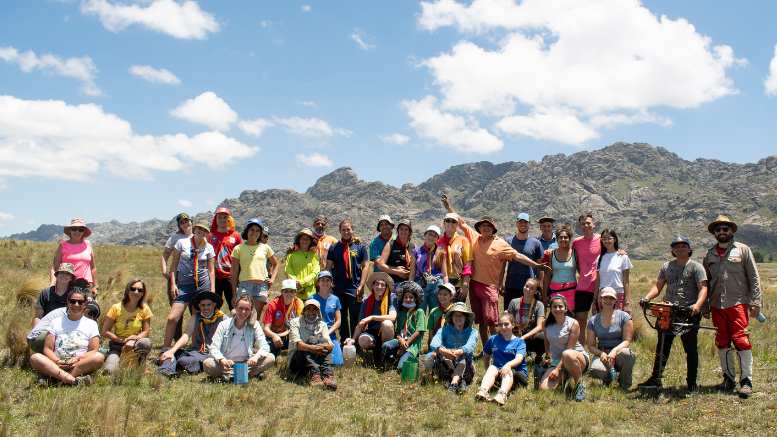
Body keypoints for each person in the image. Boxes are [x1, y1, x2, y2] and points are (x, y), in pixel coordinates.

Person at [442, 195, 549, 349]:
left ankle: (498, 349)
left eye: (489, 226)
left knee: (492, 321)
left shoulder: (500, 243)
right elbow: (461, 222)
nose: (485, 228)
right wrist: (448, 208)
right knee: (481, 322)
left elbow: (517, 256)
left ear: (493, 228)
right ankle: (486, 350)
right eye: (483, 226)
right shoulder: (474, 237)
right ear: (479, 228)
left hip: (489, 287)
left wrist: (537, 266)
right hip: (474, 285)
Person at [702, 215, 762, 399]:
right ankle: (728, 379)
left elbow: (754, 277)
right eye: (718, 229)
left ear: (731, 231)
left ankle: (746, 381)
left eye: (725, 229)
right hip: (717, 304)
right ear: (714, 233)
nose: (721, 232)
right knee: (722, 340)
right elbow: (706, 282)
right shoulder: (710, 254)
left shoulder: (743, 250)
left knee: (741, 339)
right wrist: (705, 305)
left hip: (738, 303)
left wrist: (756, 302)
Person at [638, 237, 708, 392]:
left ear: (690, 249)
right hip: (667, 312)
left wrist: (697, 305)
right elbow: (658, 286)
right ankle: (656, 379)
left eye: (683, 246)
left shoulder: (696, 267)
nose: (680, 249)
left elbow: (703, 288)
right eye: (677, 247)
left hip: (688, 312)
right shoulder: (666, 266)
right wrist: (647, 298)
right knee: (662, 346)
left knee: (690, 349)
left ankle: (692, 383)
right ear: (673, 250)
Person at [29, 287, 104, 385]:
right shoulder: (56, 322)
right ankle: (73, 380)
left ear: (85, 304)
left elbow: (94, 350)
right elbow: (47, 348)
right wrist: (57, 361)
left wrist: (78, 359)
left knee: (99, 357)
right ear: (68, 303)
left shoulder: (91, 324)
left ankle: (56, 379)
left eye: (80, 302)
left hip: (77, 364)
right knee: (35, 358)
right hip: (58, 363)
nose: (76, 305)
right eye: (73, 301)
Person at [163, 220, 215, 349]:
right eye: (199, 229)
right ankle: (165, 348)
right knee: (172, 318)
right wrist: (173, 284)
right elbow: (174, 265)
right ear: (195, 228)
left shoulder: (209, 247)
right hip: (184, 285)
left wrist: (212, 289)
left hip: (202, 285)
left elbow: (211, 269)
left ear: (207, 233)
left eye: (204, 230)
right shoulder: (181, 243)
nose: (201, 232)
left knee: (196, 317)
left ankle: (194, 347)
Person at [203, 293, 276, 380]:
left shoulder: (255, 325)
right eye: (240, 308)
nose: (243, 312)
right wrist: (222, 360)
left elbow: (264, 346)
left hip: (247, 362)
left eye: (247, 309)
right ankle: (248, 374)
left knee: (271, 358)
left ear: (251, 311)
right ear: (235, 307)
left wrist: (255, 358)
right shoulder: (224, 324)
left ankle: (231, 377)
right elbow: (214, 347)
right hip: (228, 364)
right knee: (207, 364)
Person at [157, 292, 226, 376]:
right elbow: (186, 335)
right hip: (196, 351)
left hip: (210, 354)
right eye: (203, 305)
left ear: (214, 305)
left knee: (184, 361)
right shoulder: (196, 316)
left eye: (209, 305)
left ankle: (172, 363)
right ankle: (166, 370)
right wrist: (172, 350)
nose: (206, 308)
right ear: (199, 306)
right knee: (167, 350)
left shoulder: (222, 318)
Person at [538, 295, 590, 401]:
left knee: (567, 354)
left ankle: (580, 384)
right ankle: (565, 379)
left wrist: (557, 369)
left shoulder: (573, 323)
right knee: (544, 389)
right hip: (558, 361)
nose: (558, 309)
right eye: (554, 307)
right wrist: (547, 357)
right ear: (550, 308)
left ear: (566, 308)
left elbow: (569, 349)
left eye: (560, 307)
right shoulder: (546, 324)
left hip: (575, 358)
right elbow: (547, 342)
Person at [325, 220, 369, 342]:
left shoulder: (360, 246)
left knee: (356, 316)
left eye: (348, 229)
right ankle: (344, 341)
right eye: (343, 230)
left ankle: (356, 343)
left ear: (352, 229)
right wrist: (329, 286)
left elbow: (365, 266)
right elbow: (328, 267)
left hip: (354, 287)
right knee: (341, 317)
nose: (346, 232)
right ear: (339, 231)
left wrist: (361, 285)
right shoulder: (334, 248)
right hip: (338, 288)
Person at [586, 287, 636, 388]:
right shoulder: (593, 321)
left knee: (627, 354)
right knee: (596, 370)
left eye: (611, 298)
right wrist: (602, 354)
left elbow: (627, 341)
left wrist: (614, 352)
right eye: (605, 298)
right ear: (600, 299)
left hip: (620, 353)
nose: (608, 301)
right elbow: (590, 346)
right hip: (603, 353)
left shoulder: (624, 317)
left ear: (615, 301)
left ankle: (624, 384)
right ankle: (607, 378)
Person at [101, 279, 153, 374]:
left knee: (145, 342)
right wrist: (124, 341)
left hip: (135, 344)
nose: (136, 292)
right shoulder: (116, 308)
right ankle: (111, 356)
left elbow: (146, 331)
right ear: (127, 291)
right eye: (133, 289)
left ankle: (140, 364)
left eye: (140, 290)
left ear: (143, 293)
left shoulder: (145, 309)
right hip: (117, 345)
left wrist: (133, 340)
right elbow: (105, 331)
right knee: (110, 371)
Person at [475, 312, 528, 405]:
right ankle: (483, 391)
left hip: (517, 374)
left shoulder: (519, 342)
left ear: (513, 325)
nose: (503, 327)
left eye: (506, 324)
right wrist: (489, 372)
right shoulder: (493, 339)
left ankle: (502, 394)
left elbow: (519, 359)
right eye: (500, 325)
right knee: (492, 368)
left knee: (509, 371)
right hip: (500, 373)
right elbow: (486, 356)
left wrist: (508, 365)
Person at [230, 218, 279, 316]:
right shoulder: (238, 248)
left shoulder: (265, 248)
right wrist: (234, 294)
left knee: (254, 319)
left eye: (257, 231)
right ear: (247, 231)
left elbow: (276, 264)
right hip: (244, 286)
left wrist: (272, 279)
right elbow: (234, 272)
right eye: (252, 230)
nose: (254, 233)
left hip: (261, 287)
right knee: (241, 318)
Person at [430, 302, 479, 394]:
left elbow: (469, 347)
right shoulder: (444, 329)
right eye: (455, 315)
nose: (458, 318)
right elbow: (434, 343)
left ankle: (453, 383)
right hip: (446, 366)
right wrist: (443, 351)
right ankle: (459, 381)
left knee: (463, 355)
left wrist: (456, 353)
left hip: (465, 368)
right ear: (451, 318)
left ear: (466, 318)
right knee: (443, 353)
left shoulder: (473, 332)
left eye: (461, 315)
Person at [345, 272, 397, 360]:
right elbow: (361, 323)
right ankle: (377, 350)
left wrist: (372, 317)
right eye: (377, 284)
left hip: (386, 331)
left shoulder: (392, 298)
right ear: (372, 286)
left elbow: (392, 317)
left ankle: (386, 355)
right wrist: (353, 339)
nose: (379, 287)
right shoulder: (366, 300)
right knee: (362, 340)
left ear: (386, 287)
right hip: (372, 331)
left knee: (387, 323)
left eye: (382, 285)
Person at [288, 299, 337, 389]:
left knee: (323, 341)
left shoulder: (322, 325)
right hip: (297, 361)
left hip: (315, 356)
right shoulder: (295, 322)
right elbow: (297, 344)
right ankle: (315, 375)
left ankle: (327, 375)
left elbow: (330, 344)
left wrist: (324, 346)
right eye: (308, 309)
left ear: (318, 312)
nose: (311, 312)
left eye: (314, 309)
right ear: (304, 311)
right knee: (312, 339)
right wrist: (312, 348)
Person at [501, 213, 544, 311]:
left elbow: (540, 267)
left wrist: (540, 285)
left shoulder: (536, 243)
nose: (523, 224)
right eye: (520, 222)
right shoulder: (508, 241)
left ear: (530, 224)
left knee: (528, 315)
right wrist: (500, 283)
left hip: (530, 287)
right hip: (511, 285)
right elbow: (502, 265)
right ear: (516, 223)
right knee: (510, 314)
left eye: (525, 222)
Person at [160, 213, 192, 341]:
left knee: (195, 309)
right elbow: (165, 254)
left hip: (193, 276)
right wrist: (164, 271)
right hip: (178, 275)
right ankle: (177, 339)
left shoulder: (197, 235)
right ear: (179, 225)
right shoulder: (175, 237)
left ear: (191, 221)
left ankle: (196, 339)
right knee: (177, 309)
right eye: (182, 222)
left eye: (187, 221)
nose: (185, 224)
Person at [27, 299, 99, 355]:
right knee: (69, 336)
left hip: (43, 337)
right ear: (86, 311)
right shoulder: (71, 313)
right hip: (36, 339)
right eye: (91, 318)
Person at [382, 282, 426, 371]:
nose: (408, 299)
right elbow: (398, 332)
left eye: (411, 297)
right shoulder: (401, 313)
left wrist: (405, 344)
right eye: (406, 297)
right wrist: (401, 342)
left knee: (402, 368)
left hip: (412, 344)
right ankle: (394, 357)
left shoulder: (420, 312)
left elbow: (418, 332)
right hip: (401, 341)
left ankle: (409, 356)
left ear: (416, 298)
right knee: (385, 346)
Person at [50, 218, 99, 297]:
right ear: (70, 230)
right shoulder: (62, 245)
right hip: (65, 284)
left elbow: (93, 267)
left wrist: (95, 286)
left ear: (84, 232)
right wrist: (52, 285)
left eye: (81, 229)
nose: (77, 231)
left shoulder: (88, 244)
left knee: (88, 308)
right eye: (74, 229)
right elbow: (55, 267)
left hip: (84, 285)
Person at [209, 207, 243, 311]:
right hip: (215, 277)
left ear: (229, 219)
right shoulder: (210, 235)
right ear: (216, 219)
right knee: (214, 307)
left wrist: (238, 280)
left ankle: (236, 326)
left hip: (230, 277)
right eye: (219, 217)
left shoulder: (235, 235)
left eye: (225, 217)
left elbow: (241, 256)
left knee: (234, 306)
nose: (222, 220)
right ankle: (215, 326)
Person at [410, 225, 448, 314]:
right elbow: (412, 273)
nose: (431, 237)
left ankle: (435, 328)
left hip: (436, 285)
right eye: (429, 234)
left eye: (434, 236)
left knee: (435, 313)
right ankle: (420, 328)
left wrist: (447, 289)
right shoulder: (416, 252)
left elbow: (445, 274)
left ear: (437, 239)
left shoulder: (441, 253)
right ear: (425, 234)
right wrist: (410, 288)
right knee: (419, 312)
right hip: (420, 284)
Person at [540, 224, 579, 310]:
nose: (563, 240)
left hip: (571, 290)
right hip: (555, 289)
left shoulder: (575, 254)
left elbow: (581, 272)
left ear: (569, 239)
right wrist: (545, 295)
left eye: (566, 237)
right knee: (556, 315)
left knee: (571, 316)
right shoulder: (551, 254)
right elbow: (547, 276)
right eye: (560, 237)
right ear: (557, 239)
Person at [436, 212, 473, 302]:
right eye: (448, 221)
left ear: (456, 224)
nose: (450, 223)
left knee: (458, 313)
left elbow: (468, 265)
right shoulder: (438, 242)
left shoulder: (463, 240)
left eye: (453, 221)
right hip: (442, 284)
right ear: (444, 223)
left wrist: (464, 285)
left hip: (458, 284)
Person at [594, 229, 633, 313]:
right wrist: (594, 302)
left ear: (614, 239)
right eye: (603, 239)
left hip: (618, 294)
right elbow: (598, 282)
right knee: (603, 323)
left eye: (609, 238)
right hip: (603, 295)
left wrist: (627, 303)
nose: (606, 241)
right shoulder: (599, 258)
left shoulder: (623, 257)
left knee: (617, 322)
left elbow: (626, 282)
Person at [262, 279, 304, 356]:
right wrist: (275, 336)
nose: (289, 294)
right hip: (275, 334)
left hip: (292, 333)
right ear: (281, 292)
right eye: (286, 291)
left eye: (291, 291)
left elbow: (300, 325)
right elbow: (266, 329)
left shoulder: (298, 303)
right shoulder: (273, 304)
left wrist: (285, 333)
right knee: (271, 353)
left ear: (295, 292)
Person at [310, 271, 344, 366]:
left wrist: (327, 333)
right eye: (323, 280)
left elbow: (338, 321)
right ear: (318, 282)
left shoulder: (335, 299)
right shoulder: (312, 298)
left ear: (331, 282)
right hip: (315, 334)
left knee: (338, 363)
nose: (325, 283)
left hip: (330, 334)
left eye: (328, 280)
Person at [506, 278, 545, 359]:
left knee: (541, 337)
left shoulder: (539, 305)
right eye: (526, 286)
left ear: (536, 292)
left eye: (531, 288)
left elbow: (539, 327)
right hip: (516, 335)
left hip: (530, 336)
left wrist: (523, 337)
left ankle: (538, 357)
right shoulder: (514, 302)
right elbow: (508, 321)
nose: (527, 289)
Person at [376, 219, 416, 286]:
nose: (403, 231)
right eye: (401, 229)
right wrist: (397, 272)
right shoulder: (390, 245)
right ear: (398, 230)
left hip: (409, 283)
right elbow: (380, 265)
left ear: (409, 232)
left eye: (406, 229)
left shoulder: (413, 246)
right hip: (393, 283)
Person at [284, 228, 321, 300]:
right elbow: (288, 271)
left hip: (310, 294)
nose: (305, 241)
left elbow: (315, 273)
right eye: (303, 238)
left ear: (311, 241)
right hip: (293, 294)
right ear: (299, 240)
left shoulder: (314, 256)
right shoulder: (291, 255)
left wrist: (301, 283)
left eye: (307, 239)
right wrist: (298, 286)